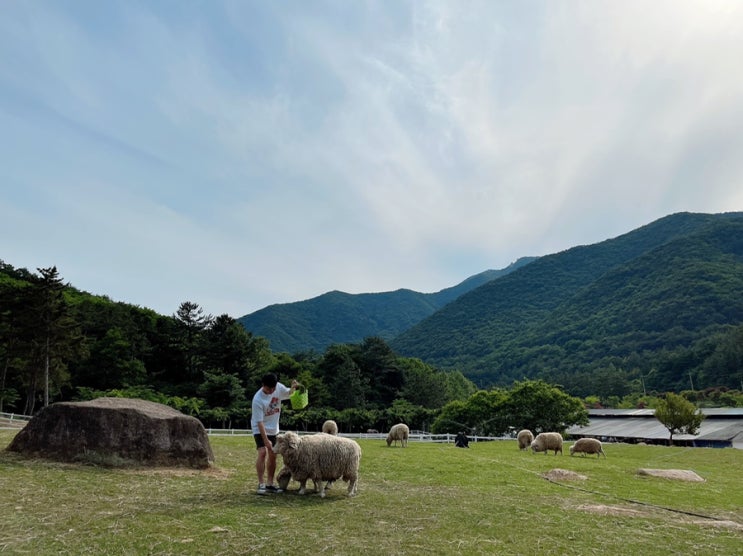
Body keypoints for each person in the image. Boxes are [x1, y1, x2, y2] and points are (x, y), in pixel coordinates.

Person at [251, 372, 299, 494]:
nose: (272, 391)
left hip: (274, 428)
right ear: (263, 385)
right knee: (262, 453)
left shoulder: (278, 387)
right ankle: (261, 483)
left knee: (273, 455)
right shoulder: (258, 399)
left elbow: (289, 393)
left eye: (273, 388)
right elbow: (259, 422)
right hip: (260, 428)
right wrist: (265, 440)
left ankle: (270, 483)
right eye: (269, 388)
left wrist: (294, 387)